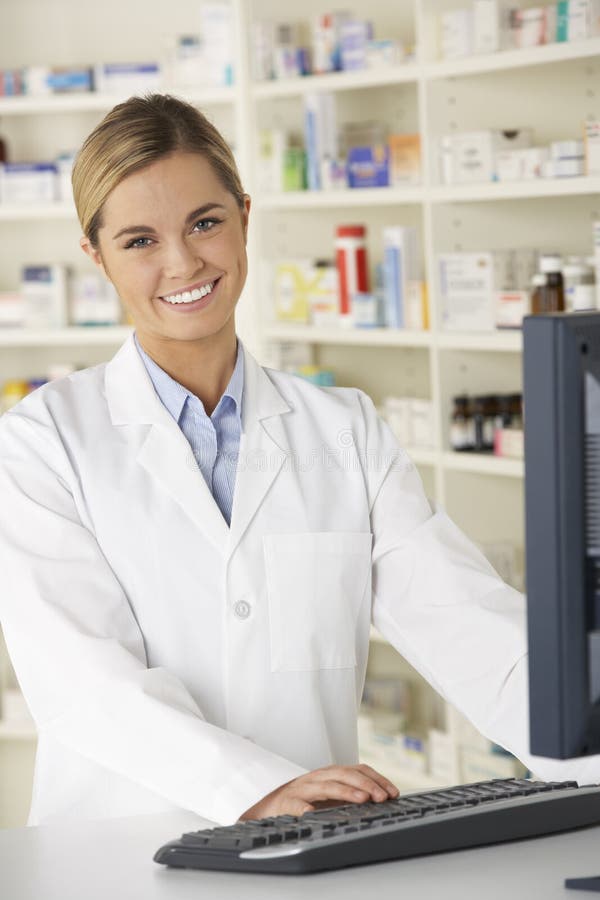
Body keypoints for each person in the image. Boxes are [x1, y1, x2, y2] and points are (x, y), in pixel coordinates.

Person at [0, 95, 597, 828]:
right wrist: (253, 788)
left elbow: (464, 621)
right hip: (117, 862)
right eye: (139, 241)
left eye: (205, 223)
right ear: (96, 256)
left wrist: (586, 731)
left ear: (245, 216)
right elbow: (83, 683)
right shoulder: (42, 445)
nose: (183, 262)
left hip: (304, 860)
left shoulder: (344, 430)